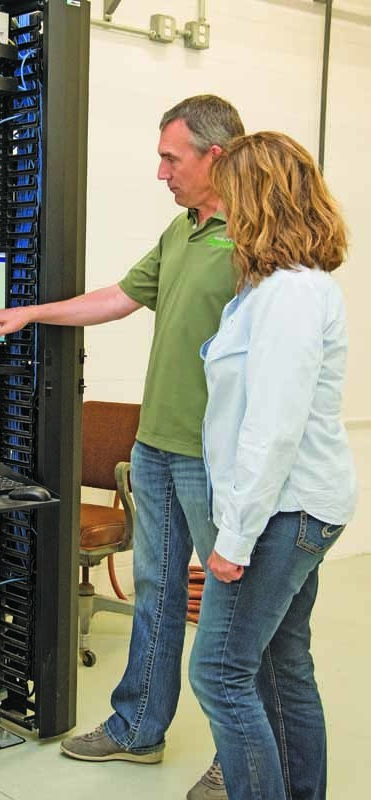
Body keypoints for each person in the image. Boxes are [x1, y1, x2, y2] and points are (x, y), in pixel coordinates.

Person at [0, 95, 244, 800]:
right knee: (156, 593)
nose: (161, 172)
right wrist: (28, 313)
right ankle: (137, 729)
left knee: (230, 614)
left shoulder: (257, 234)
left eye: (170, 158)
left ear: (214, 155)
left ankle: (239, 758)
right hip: (156, 448)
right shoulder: (183, 229)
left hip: (216, 457)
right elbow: (119, 297)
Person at [189, 132, 357, 800]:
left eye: (227, 193)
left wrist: (234, 539)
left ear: (256, 199)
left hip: (285, 511)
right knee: (281, 666)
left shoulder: (290, 295)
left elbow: (273, 427)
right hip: (294, 506)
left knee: (220, 672)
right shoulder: (271, 291)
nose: (218, 206)